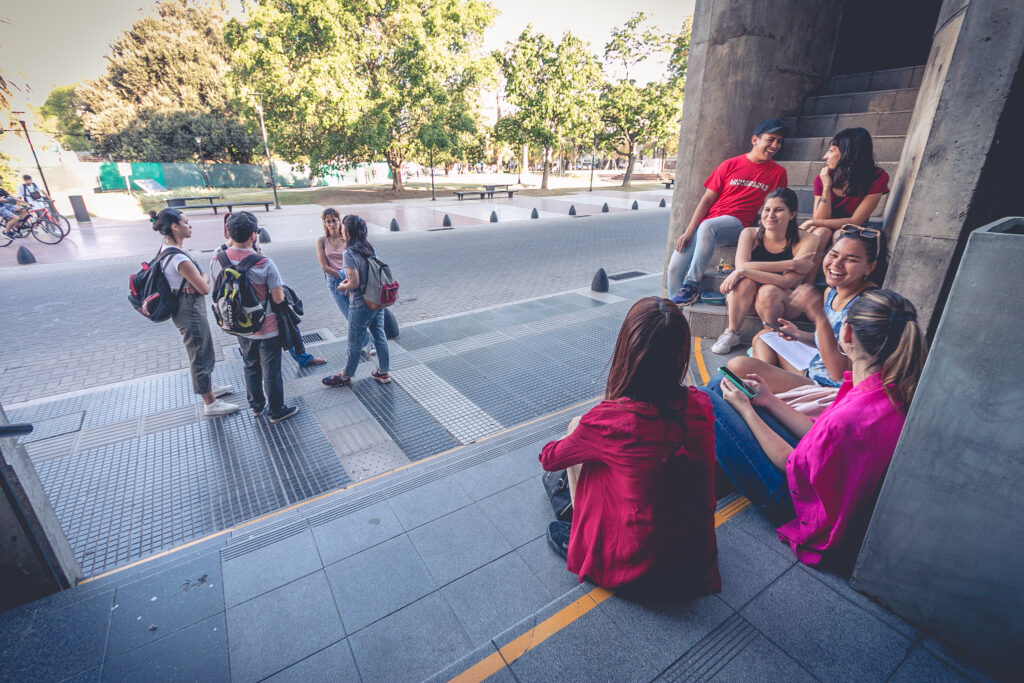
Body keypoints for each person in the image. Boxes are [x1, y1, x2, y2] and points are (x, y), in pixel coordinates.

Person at [703, 289, 927, 569]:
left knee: (709, 395)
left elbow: (789, 462)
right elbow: (816, 434)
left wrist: (748, 411)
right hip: (827, 493)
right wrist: (769, 402)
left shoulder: (850, 415)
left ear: (846, 335)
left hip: (798, 505)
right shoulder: (886, 392)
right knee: (724, 388)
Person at [538, 297, 720, 597]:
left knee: (576, 430)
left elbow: (549, 458)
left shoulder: (609, 422)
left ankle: (579, 531)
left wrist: (581, 430)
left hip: (637, 574)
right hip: (695, 564)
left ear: (627, 352)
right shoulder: (700, 405)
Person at [728, 226, 886, 395]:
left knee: (739, 366)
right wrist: (799, 334)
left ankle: (768, 387)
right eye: (833, 254)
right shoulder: (832, 291)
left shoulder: (866, 306)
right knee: (763, 337)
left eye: (851, 260)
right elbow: (829, 337)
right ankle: (768, 385)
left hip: (831, 388)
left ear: (870, 267)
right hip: (814, 368)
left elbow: (838, 372)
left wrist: (819, 316)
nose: (837, 263)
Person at [668, 118, 789, 305]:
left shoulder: (778, 172)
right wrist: (689, 231)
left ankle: (692, 284)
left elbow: (778, 204)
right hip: (707, 226)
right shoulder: (730, 164)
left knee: (708, 227)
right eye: (771, 139)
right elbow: (707, 199)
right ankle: (674, 311)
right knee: (674, 268)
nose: (775, 145)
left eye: (779, 141)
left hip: (738, 225)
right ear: (755, 139)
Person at [148, 209, 240, 417]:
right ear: (174, 227)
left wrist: (197, 280)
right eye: (186, 222)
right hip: (188, 309)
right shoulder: (179, 258)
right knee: (199, 352)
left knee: (203, 348)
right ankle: (210, 403)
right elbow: (204, 287)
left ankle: (207, 387)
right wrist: (204, 276)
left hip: (186, 306)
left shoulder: (168, 249)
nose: (190, 226)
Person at [210, 212, 299, 423]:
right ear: (253, 235)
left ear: (229, 233)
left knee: (250, 364)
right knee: (271, 370)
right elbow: (278, 298)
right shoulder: (265, 263)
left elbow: (216, 290)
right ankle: (276, 410)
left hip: (238, 325)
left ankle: (257, 406)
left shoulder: (217, 258)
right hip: (266, 326)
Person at [710, 188, 818, 354]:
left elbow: (787, 282)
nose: (771, 215)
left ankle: (771, 337)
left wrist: (744, 270)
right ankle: (732, 332)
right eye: (767, 210)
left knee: (767, 291)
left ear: (792, 214)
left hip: (786, 302)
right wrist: (790, 264)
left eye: (779, 210)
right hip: (747, 301)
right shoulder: (749, 233)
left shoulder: (808, 239)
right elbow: (741, 266)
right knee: (744, 282)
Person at [219, 212, 325, 369]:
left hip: (240, 313)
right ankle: (301, 358)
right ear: (252, 234)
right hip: (259, 311)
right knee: (281, 337)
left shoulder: (220, 256)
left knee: (254, 364)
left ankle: (302, 357)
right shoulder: (230, 255)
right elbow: (277, 297)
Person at [800, 128, 890, 282]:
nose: (825, 156)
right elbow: (820, 217)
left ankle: (835, 289)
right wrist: (827, 186)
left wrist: (812, 222)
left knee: (841, 235)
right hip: (824, 228)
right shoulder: (823, 178)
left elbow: (856, 221)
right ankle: (806, 285)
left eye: (831, 151)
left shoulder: (877, 177)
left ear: (848, 153)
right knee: (822, 232)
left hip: (852, 228)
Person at [321, 215, 392, 387]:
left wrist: (342, 287)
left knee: (354, 342)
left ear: (348, 231)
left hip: (360, 304)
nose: (340, 231)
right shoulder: (370, 248)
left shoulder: (349, 253)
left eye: (343, 228)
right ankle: (383, 372)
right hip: (376, 300)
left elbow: (354, 282)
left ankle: (345, 376)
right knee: (379, 335)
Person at [314, 208, 375, 360]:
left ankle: (363, 344)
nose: (332, 224)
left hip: (351, 279)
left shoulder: (346, 238)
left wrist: (349, 278)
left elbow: (353, 259)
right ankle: (366, 344)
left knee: (358, 313)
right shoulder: (321, 241)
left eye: (334, 220)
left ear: (339, 221)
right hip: (335, 282)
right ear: (324, 223)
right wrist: (343, 277)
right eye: (328, 221)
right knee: (349, 315)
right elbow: (324, 267)